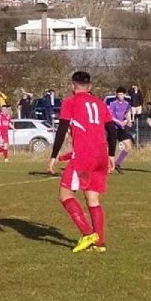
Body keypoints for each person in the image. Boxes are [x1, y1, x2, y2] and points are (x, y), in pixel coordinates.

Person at [48, 71, 116, 253]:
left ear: (72, 86)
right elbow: (112, 129)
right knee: (92, 198)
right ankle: (99, 243)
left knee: (65, 194)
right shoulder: (100, 104)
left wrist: (54, 156)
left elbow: (62, 130)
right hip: (101, 155)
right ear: (90, 87)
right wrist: (111, 155)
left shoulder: (70, 102)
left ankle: (87, 234)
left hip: (83, 156)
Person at [108, 87, 134, 173]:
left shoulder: (126, 104)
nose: (120, 96)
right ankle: (108, 165)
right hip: (113, 128)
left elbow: (127, 113)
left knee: (129, 146)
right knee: (111, 148)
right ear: (116, 95)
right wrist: (118, 121)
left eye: (122, 94)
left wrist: (129, 120)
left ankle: (118, 163)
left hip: (121, 128)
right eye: (118, 94)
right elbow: (110, 116)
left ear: (124, 95)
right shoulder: (113, 104)